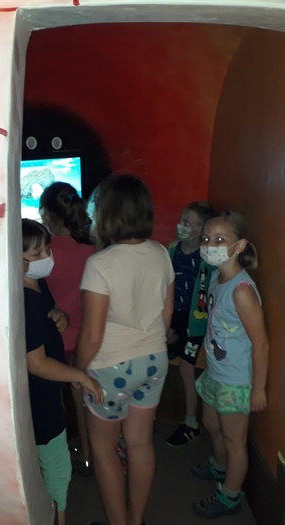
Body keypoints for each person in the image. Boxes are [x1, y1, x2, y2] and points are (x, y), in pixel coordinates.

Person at [75, 175, 175, 525]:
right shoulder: (160, 253)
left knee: (104, 450)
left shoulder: (100, 264)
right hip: (155, 361)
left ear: (106, 213)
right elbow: (166, 315)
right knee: (140, 444)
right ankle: (135, 520)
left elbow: (92, 334)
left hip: (110, 367)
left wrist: (77, 371)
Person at [21, 218, 104, 525]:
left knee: (49, 465)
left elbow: (54, 320)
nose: (46, 257)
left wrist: (62, 318)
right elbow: (36, 363)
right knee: (58, 470)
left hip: (47, 393)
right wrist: (80, 376)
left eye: (47, 249)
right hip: (39, 399)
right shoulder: (26, 302)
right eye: (36, 254)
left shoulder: (38, 284)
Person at [190, 210, 269, 519]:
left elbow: (260, 343)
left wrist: (258, 389)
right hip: (216, 372)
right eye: (206, 238)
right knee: (212, 424)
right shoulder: (216, 276)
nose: (210, 245)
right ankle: (219, 465)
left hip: (235, 380)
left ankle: (230, 495)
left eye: (220, 239)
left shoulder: (242, 291)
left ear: (240, 246)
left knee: (235, 441)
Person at [39, 182, 96, 476]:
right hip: (88, 335)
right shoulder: (92, 247)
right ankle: (88, 453)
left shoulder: (43, 252)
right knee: (83, 397)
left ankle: (60, 457)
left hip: (55, 337)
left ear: (47, 214)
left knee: (56, 401)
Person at [164, 201, 216, 448]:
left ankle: (191, 422)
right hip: (170, 315)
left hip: (194, 321)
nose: (181, 225)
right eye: (181, 220)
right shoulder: (172, 250)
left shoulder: (207, 259)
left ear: (201, 230)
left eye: (187, 223)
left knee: (186, 369)